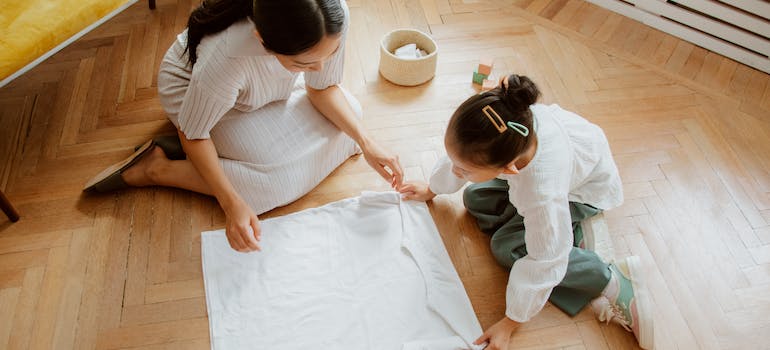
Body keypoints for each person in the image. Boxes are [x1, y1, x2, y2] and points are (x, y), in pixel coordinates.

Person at [83, 0, 403, 253]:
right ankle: (157, 169)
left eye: (327, 54)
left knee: (352, 118)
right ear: (262, 40)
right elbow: (192, 134)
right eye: (306, 64)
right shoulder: (227, 59)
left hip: (264, 86)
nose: (319, 68)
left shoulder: (331, 17)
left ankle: (242, 163)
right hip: (199, 99)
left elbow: (321, 87)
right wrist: (231, 204)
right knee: (267, 188)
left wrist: (366, 141)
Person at [398, 74, 653, 349]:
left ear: (508, 169)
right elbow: (461, 158)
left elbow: (545, 261)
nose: (455, 171)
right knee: (475, 196)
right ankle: (568, 232)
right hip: (562, 171)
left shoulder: (541, 192)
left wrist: (511, 322)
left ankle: (608, 279)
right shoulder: (512, 125)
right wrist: (433, 189)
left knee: (507, 247)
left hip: (581, 194)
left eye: (463, 170)